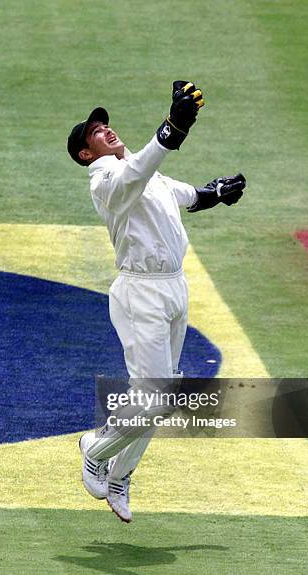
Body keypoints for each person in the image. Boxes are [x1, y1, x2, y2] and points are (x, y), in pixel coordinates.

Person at [67, 81, 246, 523]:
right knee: (156, 397)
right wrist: (172, 129)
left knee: (160, 395)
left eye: (105, 124)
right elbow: (139, 171)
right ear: (86, 154)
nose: (105, 130)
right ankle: (96, 448)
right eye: (95, 131)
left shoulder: (143, 172)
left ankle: (119, 476)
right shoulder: (106, 180)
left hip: (174, 287)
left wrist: (217, 193)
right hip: (140, 291)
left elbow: (183, 195)